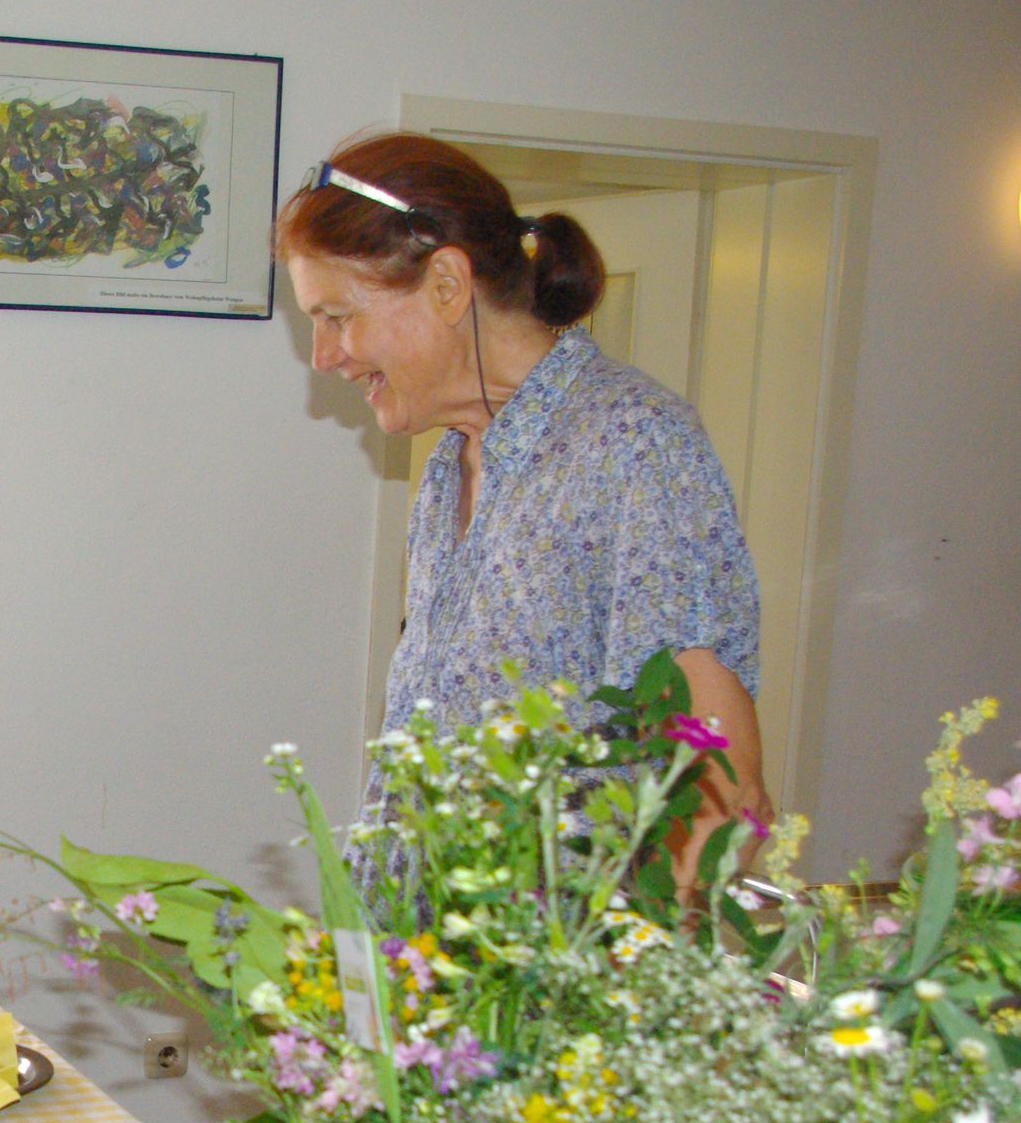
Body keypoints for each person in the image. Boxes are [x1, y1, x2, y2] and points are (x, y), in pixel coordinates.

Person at [279, 133, 769, 881]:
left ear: (447, 284)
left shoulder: (633, 444)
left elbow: (719, 788)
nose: (323, 356)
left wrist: (622, 983)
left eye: (338, 316)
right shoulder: (451, 466)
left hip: (548, 985)